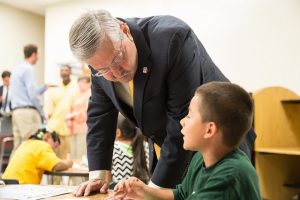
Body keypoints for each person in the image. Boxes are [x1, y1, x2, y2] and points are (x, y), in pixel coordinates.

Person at [69, 10, 256, 196]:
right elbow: (99, 117)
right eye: (103, 70)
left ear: (124, 30)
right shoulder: (99, 63)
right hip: (171, 149)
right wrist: (99, 177)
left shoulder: (172, 39)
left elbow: (179, 118)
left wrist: (152, 192)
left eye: (118, 58)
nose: (116, 73)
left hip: (217, 145)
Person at [110, 82, 262, 200]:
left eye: (189, 115)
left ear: (209, 130)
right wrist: (144, 191)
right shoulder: (200, 157)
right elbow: (182, 195)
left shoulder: (228, 177)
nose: (182, 121)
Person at [10, 44, 48, 152]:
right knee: (34, 144)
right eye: (38, 54)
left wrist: (42, 88)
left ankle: (12, 169)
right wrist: (41, 112)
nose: (39, 57)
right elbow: (32, 94)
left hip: (17, 112)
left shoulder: (17, 69)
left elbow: (24, 92)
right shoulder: (28, 69)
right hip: (27, 112)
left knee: (18, 147)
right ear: (34, 54)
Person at [2, 128, 73, 184]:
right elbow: (57, 165)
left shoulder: (25, 144)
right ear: (47, 137)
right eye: (55, 146)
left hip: (6, 184)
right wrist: (69, 163)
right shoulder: (43, 145)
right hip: (22, 187)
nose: (53, 150)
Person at [44, 65, 77, 159]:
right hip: (56, 127)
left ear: (70, 72)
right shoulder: (54, 89)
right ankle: (57, 174)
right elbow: (49, 109)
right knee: (56, 156)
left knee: (73, 156)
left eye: (66, 70)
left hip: (71, 128)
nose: (64, 72)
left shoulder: (76, 87)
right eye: (62, 70)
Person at [111, 117, 149, 184]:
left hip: (120, 191)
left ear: (117, 133)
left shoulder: (113, 148)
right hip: (145, 191)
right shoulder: (147, 146)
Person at [66, 75, 91, 160]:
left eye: (82, 83)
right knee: (73, 151)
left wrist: (73, 115)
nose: (80, 85)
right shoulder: (77, 94)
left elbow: (87, 111)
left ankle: (80, 171)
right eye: (79, 84)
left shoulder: (90, 94)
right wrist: (69, 117)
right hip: (74, 127)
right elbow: (70, 107)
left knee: (81, 151)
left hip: (83, 126)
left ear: (88, 83)